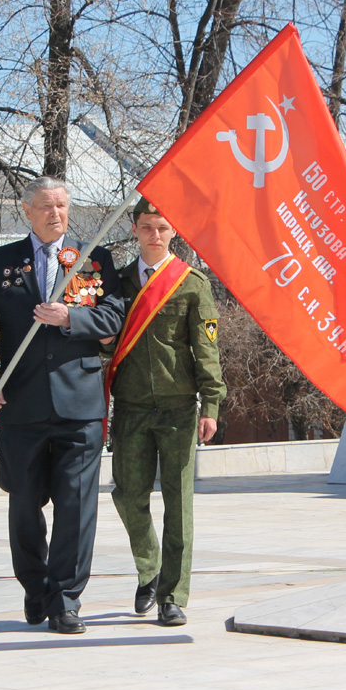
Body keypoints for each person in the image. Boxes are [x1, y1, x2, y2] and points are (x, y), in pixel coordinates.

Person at [0, 176, 125, 634]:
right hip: (22, 406)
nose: (56, 214)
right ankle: (35, 587)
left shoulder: (93, 260)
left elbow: (114, 316)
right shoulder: (0, 263)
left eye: (63, 206)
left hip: (81, 405)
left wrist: (72, 317)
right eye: (47, 206)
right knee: (25, 505)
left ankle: (67, 598)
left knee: (76, 504)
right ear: (27, 211)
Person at [104, 198, 225, 627]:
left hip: (178, 408)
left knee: (179, 504)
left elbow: (205, 350)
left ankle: (173, 595)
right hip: (132, 407)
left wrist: (210, 404)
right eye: (147, 226)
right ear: (134, 230)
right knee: (127, 496)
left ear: (173, 231)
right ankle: (149, 570)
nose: (155, 234)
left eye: (162, 227)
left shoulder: (192, 284)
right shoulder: (116, 284)